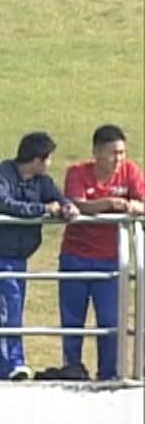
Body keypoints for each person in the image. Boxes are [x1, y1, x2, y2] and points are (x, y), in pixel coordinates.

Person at [0, 133, 78, 380]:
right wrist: (41, 209)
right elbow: (5, 204)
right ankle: (13, 363)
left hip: (19, 257)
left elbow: (57, 197)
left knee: (11, 307)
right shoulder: (0, 174)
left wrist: (66, 206)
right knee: (10, 299)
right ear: (39, 159)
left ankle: (2, 371)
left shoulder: (41, 181)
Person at [60, 125, 143, 381]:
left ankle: (109, 374)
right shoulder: (77, 172)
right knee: (73, 320)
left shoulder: (130, 172)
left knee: (110, 320)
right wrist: (108, 204)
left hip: (111, 260)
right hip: (75, 256)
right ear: (96, 152)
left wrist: (129, 205)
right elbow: (77, 204)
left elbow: (142, 203)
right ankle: (72, 369)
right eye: (112, 153)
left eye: (121, 153)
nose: (118, 159)